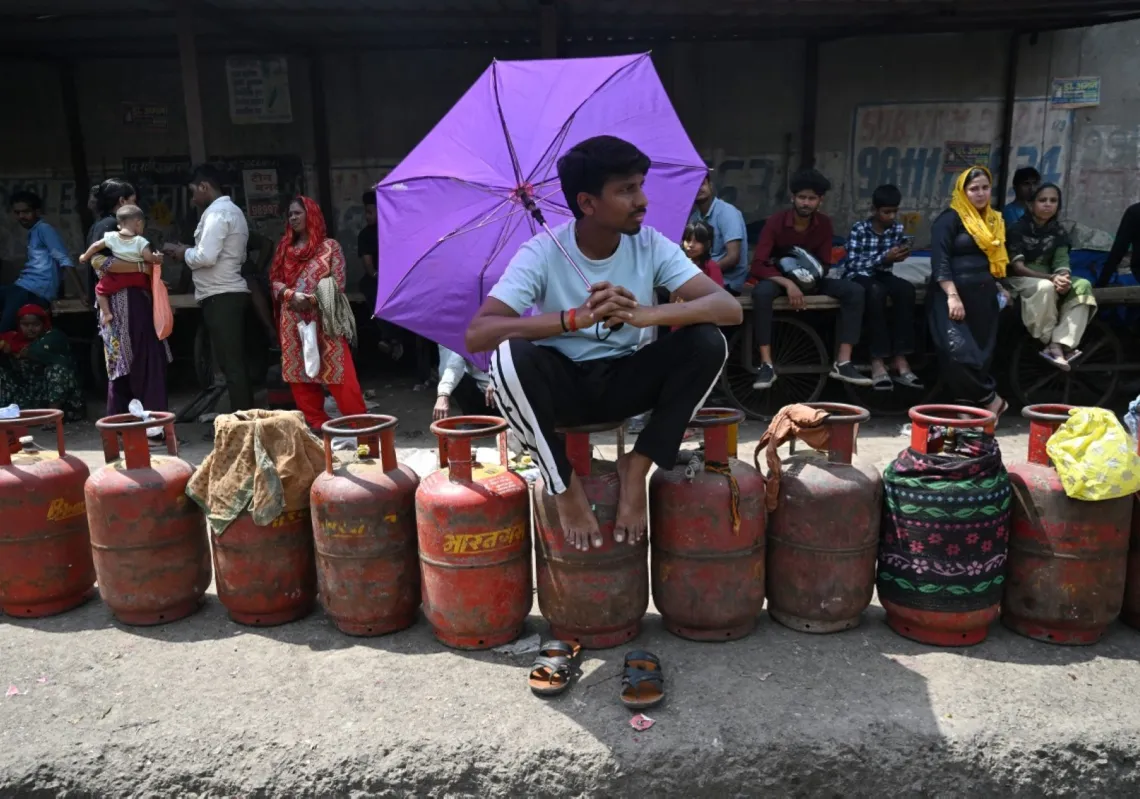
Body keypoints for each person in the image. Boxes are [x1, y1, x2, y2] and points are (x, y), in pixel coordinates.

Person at [466, 135, 740, 551]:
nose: (642, 200)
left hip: (627, 381)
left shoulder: (649, 243)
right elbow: (479, 332)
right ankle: (563, 484)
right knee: (508, 356)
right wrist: (575, 318)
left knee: (708, 341)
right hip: (563, 386)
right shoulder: (541, 252)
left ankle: (638, 465)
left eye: (641, 185)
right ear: (588, 203)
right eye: (626, 190)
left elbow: (727, 307)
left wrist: (645, 314)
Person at [748, 169, 870, 390]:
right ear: (792, 198)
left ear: (820, 201)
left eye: (812, 198)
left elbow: (824, 263)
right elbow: (758, 263)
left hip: (813, 279)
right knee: (761, 293)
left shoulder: (824, 223)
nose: (806, 203)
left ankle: (843, 362)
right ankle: (766, 364)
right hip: (778, 279)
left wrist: (807, 280)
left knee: (855, 291)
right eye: (802, 197)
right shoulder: (776, 222)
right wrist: (788, 283)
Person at [271, 196, 367, 429]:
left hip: (325, 318)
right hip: (292, 318)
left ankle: (362, 426)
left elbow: (338, 282)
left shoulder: (330, 247)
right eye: (290, 214)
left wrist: (311, 300)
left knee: (339, 373)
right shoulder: (285, 248)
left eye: (297, 213)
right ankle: (317, 424)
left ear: (311, 215)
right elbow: (274, 280)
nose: (292, 218)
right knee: (300, 375)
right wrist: (290, 295)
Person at [164, 164, 254, 412]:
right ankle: (243, 418)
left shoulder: (217, 213)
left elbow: (205, 257)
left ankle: (243, 421)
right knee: (231, 362)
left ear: (205, 187)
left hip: (222, 294)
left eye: (193, 191)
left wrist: (183, 252)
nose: (192, 198)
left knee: (231, 364)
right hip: (223, 293)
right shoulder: (229, 211)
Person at [927, 166, 1010, 418]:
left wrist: (1000, 286)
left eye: (985, 188)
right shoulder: (949, 219)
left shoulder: (993, 220)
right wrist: (952, 295)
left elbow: (995, 259)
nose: (980, 193)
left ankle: (967, 409)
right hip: (952, 295)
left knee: (981, 354)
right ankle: (991, 400)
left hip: (984, 295)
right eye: (974, 189)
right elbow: (940, 261)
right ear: (962, 191)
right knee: (957, 351)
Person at [86, 179, 171, 418]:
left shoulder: (99, 226)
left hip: (112, 303)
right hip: (128, 302)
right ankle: (152, 425)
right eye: (134, 203)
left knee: (120, 365)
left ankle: (122, 424)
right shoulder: (113, 226)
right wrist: (144, 268)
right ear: (122, 202)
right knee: (146, 362)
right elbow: (100, 263)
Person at [1004, 184, 1096, 370]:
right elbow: (1018, 268)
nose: (1048, 204)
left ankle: (1060, 343)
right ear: (1030, 205)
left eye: (1053, 201)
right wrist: (1051, 278)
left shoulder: (1059, 232)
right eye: (1042, 200)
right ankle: (1048, 340)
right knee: (1045, 287)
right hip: (1020, 280)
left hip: (1049, 276)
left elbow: (1061, 261)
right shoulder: (1017, 229)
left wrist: (1063, 278)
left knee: (1083, 285)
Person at [841, 184, 922, 390]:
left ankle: (900, 357)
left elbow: (889, 263)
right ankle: (877, 360)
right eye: (886, 212)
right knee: (876, 293)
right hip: (858, 276)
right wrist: (883, 257)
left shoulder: (897, 229)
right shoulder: (859, 229)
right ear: (875, 210)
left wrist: (900, 254)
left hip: (883, 274)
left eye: (894, 211)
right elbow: (852, 265)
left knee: (906, 290)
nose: (891, 216)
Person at [2, 191, 80, 332]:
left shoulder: (44, 229)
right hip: (22, 286)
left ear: (37, 211)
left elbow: (64, 259)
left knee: (4, 330)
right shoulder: (34, 231)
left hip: (33, 291)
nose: (21, 217)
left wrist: (82, 294)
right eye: (17, 213)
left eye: (26, 212)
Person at [78, 204, 163, 326]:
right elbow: (148, 257)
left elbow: (96, 246)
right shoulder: (141, 241)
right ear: (139, 223)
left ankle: (107, 314)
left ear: (119, 225)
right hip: (138, 278)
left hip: (117, 279)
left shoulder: (111, 237)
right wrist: (156, 258)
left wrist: (84, 256)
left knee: (99, 290)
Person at [0, 304, 85, 421]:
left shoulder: (53, 337)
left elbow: (33, 351)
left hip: (55, 396)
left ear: (43, 324)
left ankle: (52, 418)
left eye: (35, 325)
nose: (30, 329)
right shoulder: (13, 338)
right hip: (29, 394)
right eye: (25, 325)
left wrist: (13, 350)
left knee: (57, 370)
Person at [357, 188, 403, 360]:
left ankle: (392, 338)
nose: (367, 216)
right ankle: (391, 338)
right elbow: (368, 265)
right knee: (374, 292)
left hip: (395, 276)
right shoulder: (364, 235)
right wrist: (377, 276)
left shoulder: (392, 231)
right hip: (376, 278)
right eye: (365, 212)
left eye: (370, 212)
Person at [689, 174, 748, 292]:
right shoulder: (694, 218)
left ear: (710, 186)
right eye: (694, 186)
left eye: (702, 184)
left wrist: (704, 274)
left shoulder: (727, 212)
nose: (699, 188)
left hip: (727, 281)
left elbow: (733, 258)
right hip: (703, 278)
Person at [434, 345, 495, 420]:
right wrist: (443, 395)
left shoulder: (506, 340)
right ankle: (473, 420)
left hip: (505, 394)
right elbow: (453, 368)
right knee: (458, 380)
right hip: (482, 394)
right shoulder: (466, 342)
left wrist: (495, 381)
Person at [243, 229, 278, 344]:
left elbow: (267, 244)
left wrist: (258, 268)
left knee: (252, 285)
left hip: (246, 275)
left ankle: (271, 332)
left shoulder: (237, 230)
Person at [1096, 201, 1140, 287]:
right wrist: (1102, 283)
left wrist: (1101, 283)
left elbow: (1119, 249)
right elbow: (1119, 249)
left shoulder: (1134, 211)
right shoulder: (1134, 212)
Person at [681, 220, 724, 287]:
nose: (691, 245)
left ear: (708, 244)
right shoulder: (680, 264)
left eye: (697, 241)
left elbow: (718, 294)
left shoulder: (711, 267)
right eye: (688, 240)